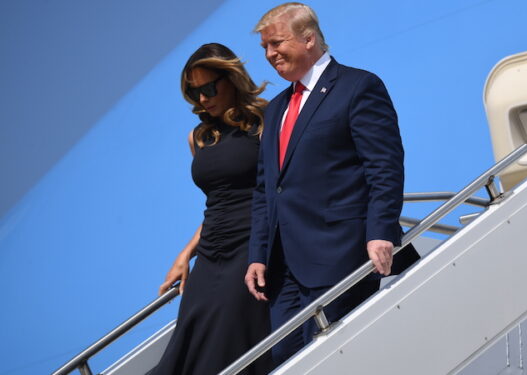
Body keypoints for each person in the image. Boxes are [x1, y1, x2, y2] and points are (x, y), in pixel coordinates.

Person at [244, 2, 418, 366]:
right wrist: (258, 254)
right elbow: (266, 189)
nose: (270, 54)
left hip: (340, 255)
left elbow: (384, 166)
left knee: (334, 361)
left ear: (308, 38)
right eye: (264, 48)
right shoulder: (275, 109)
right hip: (284, 268)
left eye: (276, 43)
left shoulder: (357, 87)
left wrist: (381, 230)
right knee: (286, 361)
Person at [151, 43, 272, 375]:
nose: (202, 99)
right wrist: (185, 254)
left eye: (208, 88)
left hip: (252, 245)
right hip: (210, 252)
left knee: (227, 338)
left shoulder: (265, 120)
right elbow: (217, 201)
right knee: (192, 335)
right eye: (194, 92)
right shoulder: (198, 137)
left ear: (231, 78)